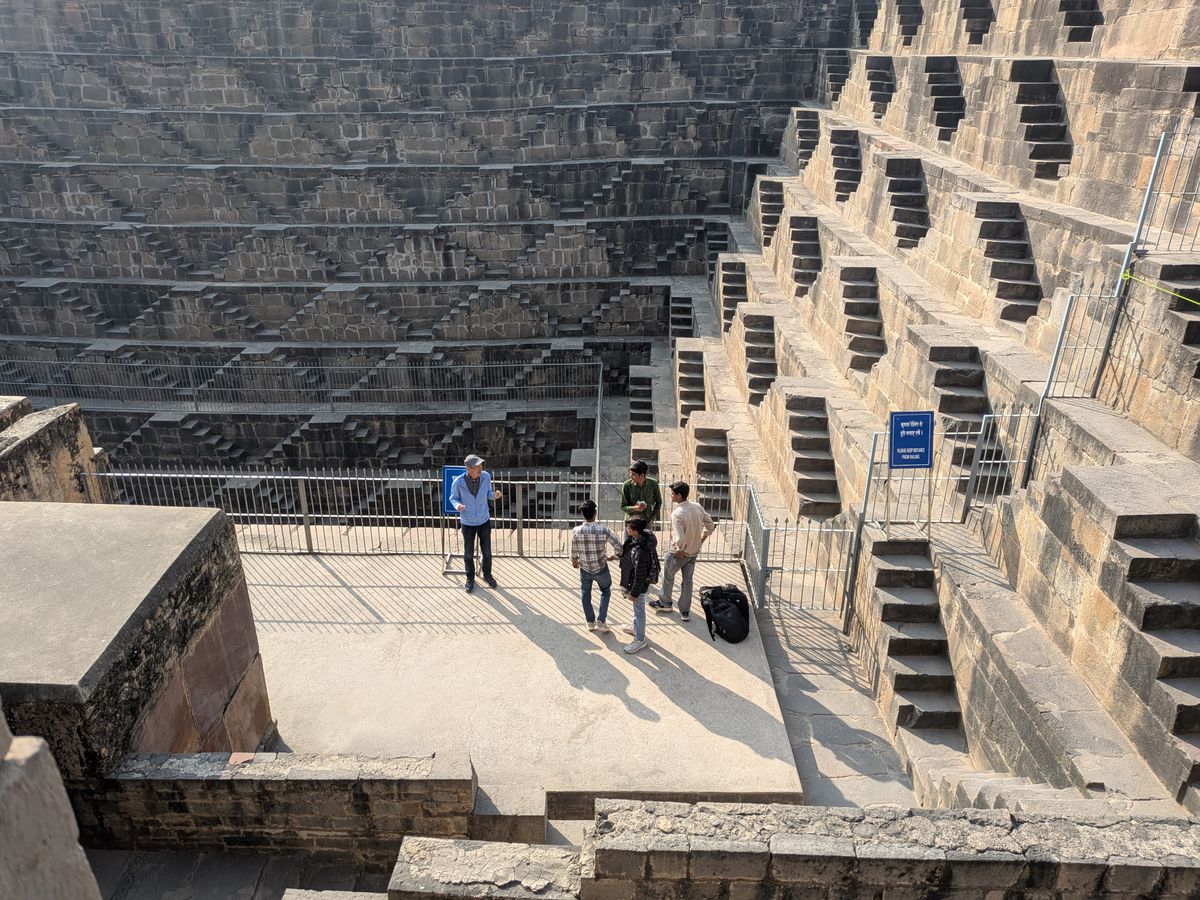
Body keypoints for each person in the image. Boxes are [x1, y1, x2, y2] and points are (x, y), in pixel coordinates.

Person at [650, 481, 714, 622]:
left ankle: (665, 603)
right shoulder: (697, 507)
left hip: (681, 552)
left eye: (672, 494)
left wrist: (680, 549)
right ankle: (685, 611)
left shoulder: (677, 514)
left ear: (679, 496)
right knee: (688, 581)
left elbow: (680, 538)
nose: (671, 496)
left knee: (668, 577)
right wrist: (701, 539)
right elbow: (710, 525)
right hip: (694, 551)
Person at [449, 453, 502, 593]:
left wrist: (494, 496)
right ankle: (470, 578)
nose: (481, 468)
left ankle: (487, 575)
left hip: (484, 520)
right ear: (469, 468)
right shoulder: (458, 482)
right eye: (478, 466)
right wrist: (458, 505)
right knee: (468, 553)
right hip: (468, 522)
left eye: (481, 466)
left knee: (487, 552)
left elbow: (488, 493)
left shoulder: (486, 476)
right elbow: (453, 498)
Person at [569, 499, 622, 633]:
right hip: (601, 567)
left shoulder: (576, 531)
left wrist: (574, 561)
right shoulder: (604, 530)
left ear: (583, 514)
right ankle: (601, 620)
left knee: (585, 593)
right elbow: (619, 546)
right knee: (605, 591)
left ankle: (590, 622)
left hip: (585, 568)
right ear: (595, 513)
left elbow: (573, 551)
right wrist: (613, 556)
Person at [618, 516, 657, 654]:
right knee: (636, 609)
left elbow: (640, 575)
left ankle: (640, 640)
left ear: (635, 531)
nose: (626, 529)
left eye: (629, 527)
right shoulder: (635, 540)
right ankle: (635, 628)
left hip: (637, 587)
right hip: (632, 582)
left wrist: (634, 593)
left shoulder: (642, 551)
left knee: (639, 611)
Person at [620, 459, 662, 528]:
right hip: (631, 524)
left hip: (646, 522)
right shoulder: (627, 485)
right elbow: (623, 507)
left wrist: (652, 518)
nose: (630, 476)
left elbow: (658, 503)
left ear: (642, 475)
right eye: (630, 473)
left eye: (633, 474)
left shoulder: (653, 484)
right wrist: (634, 508)